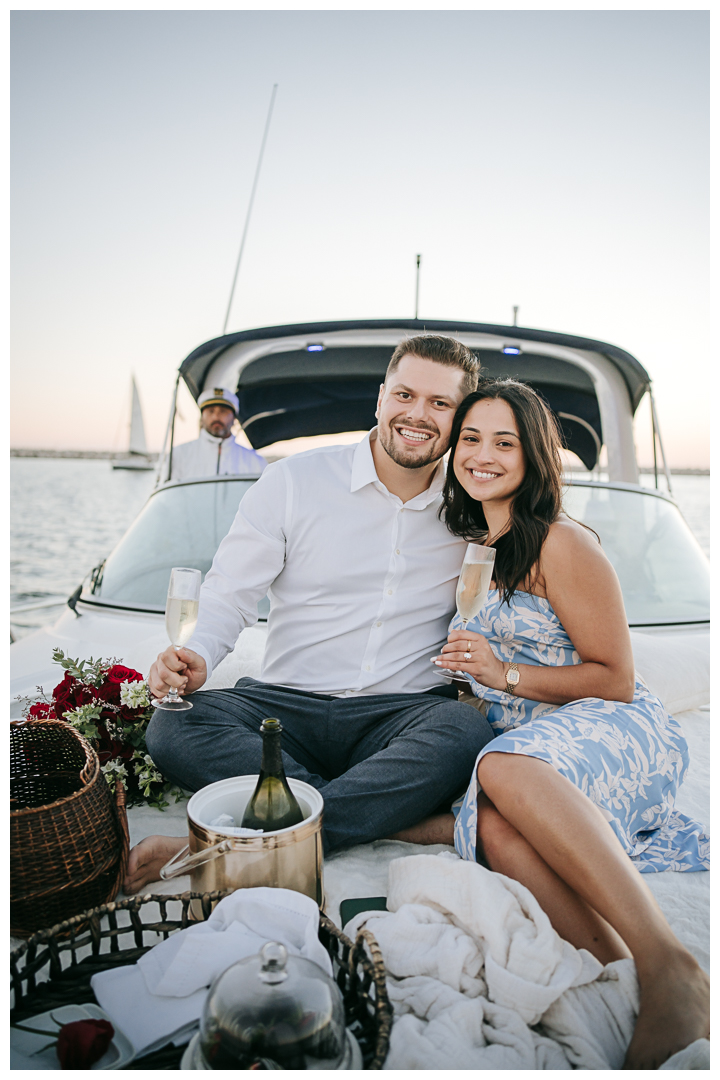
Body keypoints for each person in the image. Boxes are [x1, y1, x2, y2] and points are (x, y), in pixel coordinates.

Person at [392, 379, 709, 1070]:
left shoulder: (563, 544)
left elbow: (615, 677)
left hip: (610, 728)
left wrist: (503, 673)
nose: (482, 455)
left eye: (504, 442)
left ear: (534, 456)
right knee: (495, 823)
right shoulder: (479, 546)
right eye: (470, 439)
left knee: (499, 771)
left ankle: (672, 965)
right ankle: (620, 971)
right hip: (534, 752)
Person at [126, 335, 496, 889]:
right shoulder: (293, 481)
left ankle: (244, 845)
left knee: (464, 729)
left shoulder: (476, 508)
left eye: (440, 404)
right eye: (405, 395)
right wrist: (197, 653)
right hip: (284, 710)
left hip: (402, 715)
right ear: (380, 398)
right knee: (175, 726)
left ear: (459, 417)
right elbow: (229, 591)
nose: (418, 415)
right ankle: (376, 810)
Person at [169, 387, 266, 481]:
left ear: (234, 418)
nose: (216, 416)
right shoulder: (178, 455)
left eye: (223, 411)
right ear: (202, 417)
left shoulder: (255, 462)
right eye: (210, 411)